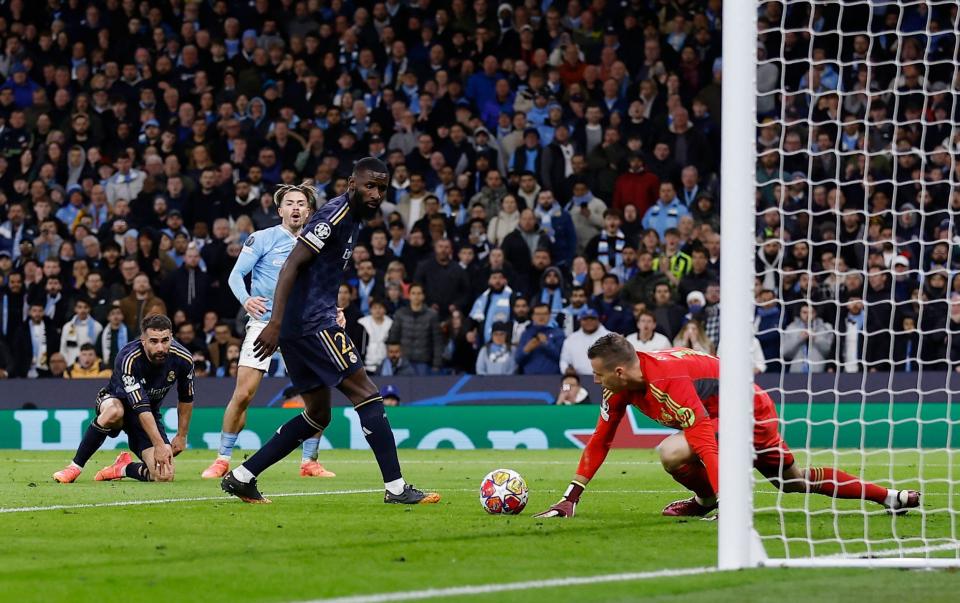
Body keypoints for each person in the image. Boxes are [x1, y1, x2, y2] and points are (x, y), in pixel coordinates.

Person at [221, 157, 439, 505]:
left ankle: (243, 476)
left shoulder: (352, 217)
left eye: (381, 188)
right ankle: (396, 488)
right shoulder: (334, 215)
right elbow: (292, 264)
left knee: (318, 414)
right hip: (311, 323)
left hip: (301, 325)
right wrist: (275, 322)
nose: (376, 194)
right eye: (370, 185)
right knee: (367, 395)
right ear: (352, 184)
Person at [534, 334, 921, 518]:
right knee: (791, 480)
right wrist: (571, 497)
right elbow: (600, 442)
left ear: (619, 370)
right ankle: (704, 503)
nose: (595, 381)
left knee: (789, 481)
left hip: (748, 407)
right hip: (720, 414)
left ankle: (886, 495)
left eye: (599, 374)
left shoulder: (667, 381)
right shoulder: (619, 390)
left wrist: (732, 510)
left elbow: (704, 442)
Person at [202, 181, 333, 480]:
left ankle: (309, 461)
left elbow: (322, 285)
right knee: (244, 392)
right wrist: (246, 299)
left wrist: (333, 309)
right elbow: (236, 276)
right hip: (265, 324)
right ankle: (222, 458)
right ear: (280, 210)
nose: (296, 208)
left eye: (301, 203)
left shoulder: (317, 243)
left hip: (303, 327)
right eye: (290, 203)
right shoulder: (262, 238)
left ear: (309, 210)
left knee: (316, 394)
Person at [52, 314, 195, 483]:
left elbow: (186, 397)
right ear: (143, 340)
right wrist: (158, 445)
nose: (160, 348)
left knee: (164, 476)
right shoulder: (128, 358)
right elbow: (140, 406)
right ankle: (74, 467)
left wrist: (181, 435)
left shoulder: (183, 359)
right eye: (154, 341)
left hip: (147, 415)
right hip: (114, 400)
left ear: (171, 337)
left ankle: (123, 467)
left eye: (165, 340)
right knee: (115, 411)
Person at [559, 308, 610, 375]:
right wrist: (566, 369)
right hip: (578, 379)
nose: (589, 322)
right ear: (580, 321)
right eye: (585, 319)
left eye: (592, 319)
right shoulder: (571, 339)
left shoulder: (610, 337)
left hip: (605, 379)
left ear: (598, 320)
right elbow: (564, 360)